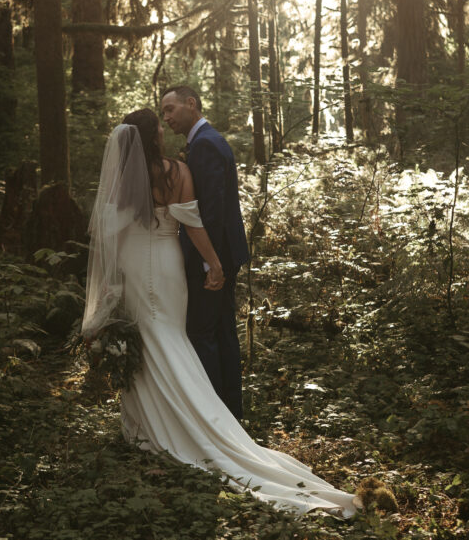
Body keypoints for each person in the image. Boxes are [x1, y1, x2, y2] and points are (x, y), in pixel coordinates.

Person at [82, 108, 359, 517]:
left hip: (131, 263)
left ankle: (147, 428)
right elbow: (193, 224)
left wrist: (110, 281)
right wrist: (214, 263)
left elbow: (110, 232)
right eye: (158, 125)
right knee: (167, 337)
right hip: (165, 259)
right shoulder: (175, 171)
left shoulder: (122, 180)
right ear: (153, 136)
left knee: (146, 336)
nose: (164, 127)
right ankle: (182, 424)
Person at [160, 86, 248, 419]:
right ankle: (230, 413)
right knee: (222, 330)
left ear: (191, 104)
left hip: (213, 258)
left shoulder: (206, 145)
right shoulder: (206, 141)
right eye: (164, 113)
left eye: (170, 109)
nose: (166, 118)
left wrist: (209, 263)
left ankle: (214, 419)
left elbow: (207, 213)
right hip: (222, 254)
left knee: (203, 334)